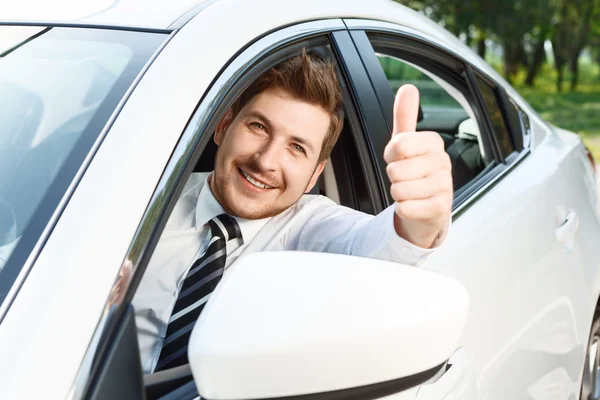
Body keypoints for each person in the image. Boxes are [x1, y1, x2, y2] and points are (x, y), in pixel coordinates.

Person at [133, 50, 453, 374]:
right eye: (258, 127)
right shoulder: (138, 206)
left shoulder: (310, 228)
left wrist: (417, 225)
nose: (266, 161)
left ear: (315, 175)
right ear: (224, 126)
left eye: (297, 148)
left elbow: (369, 246)